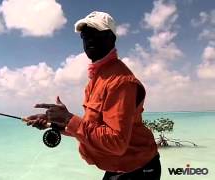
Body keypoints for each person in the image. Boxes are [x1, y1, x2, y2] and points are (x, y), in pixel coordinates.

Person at [26, 11, 161, 180]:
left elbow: (116, 142)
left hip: (138, 169)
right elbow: (93, 128)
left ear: (111, 38)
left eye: (96, 34)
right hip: (118, 166)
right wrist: (55, 124)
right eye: (85, 36)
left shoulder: (121, 81)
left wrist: (69, 119)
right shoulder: (96, 80)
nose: (89, 39)